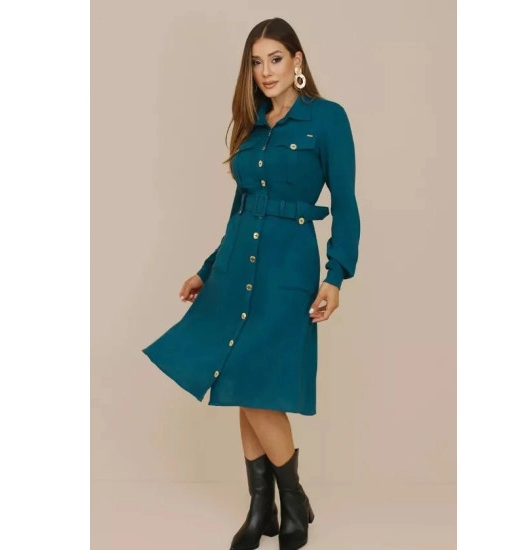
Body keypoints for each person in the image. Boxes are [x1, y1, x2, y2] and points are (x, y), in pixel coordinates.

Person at [142, 17, 360, 550]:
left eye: (275, 59)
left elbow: (347, 205)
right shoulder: (251, 126)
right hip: (237, 267)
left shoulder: (327, 119)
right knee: (239, 380)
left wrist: (335, 275)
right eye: (257, 62)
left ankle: (294, 502)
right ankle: (263, 508)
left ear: (297, 60)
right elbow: (239, 212)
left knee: (258, 384)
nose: (266, 71)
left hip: (288, 267)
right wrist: (208, 269)